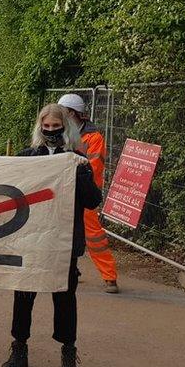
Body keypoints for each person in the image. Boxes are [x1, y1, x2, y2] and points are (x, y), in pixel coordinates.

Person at [1, 103, 102, 367]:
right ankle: (19, 348)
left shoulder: (77, 161)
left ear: (66, 128)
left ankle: (68, 352)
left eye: (56, 127)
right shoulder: (27, 157)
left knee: (65, 297)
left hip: (63, 242)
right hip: (32, 239)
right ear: (39, 128)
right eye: (46, 127)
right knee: (23, 295)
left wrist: (82, 173)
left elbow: (93, 201)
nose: (51, 132)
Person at [59, 94, 119, 293]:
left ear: (71, 113)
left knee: (93, 235)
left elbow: (93, 166)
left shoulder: (93, 138)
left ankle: (109, 276)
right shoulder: (61, 132)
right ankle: (69, 271)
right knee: (62, 233)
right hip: (63, 191)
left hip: (84, 193)